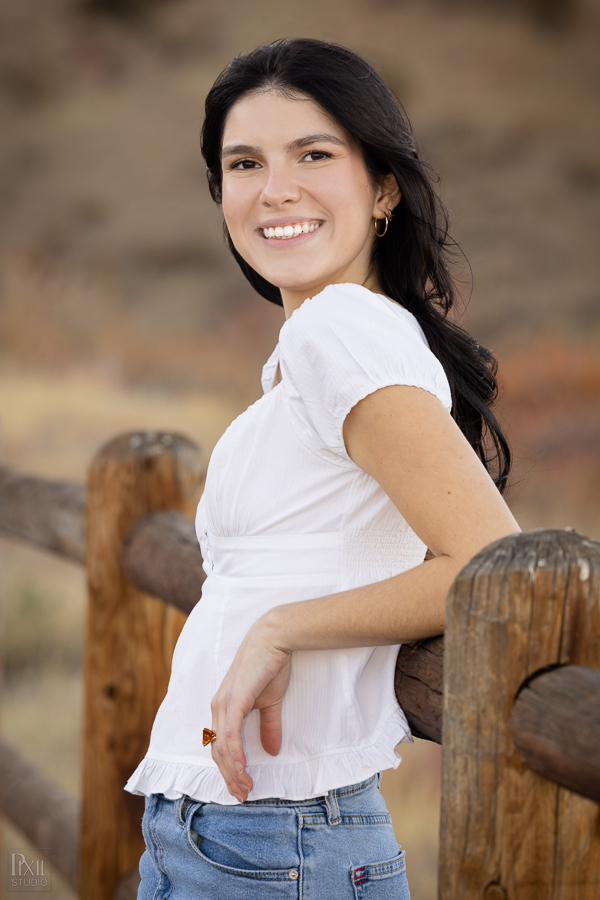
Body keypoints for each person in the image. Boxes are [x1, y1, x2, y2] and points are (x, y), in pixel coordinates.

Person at [126, 38, 520, 899]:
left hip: (276, 843)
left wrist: (283, 628)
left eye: (314, 155)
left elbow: (488, 561)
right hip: (236, 834)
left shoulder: (338, 330)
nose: (276, 189)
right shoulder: (334, 339)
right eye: (245, 163)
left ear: (383, 189)